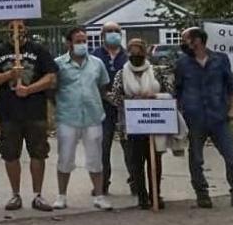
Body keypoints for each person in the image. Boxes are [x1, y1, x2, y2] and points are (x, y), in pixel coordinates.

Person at [174, 27, 233, 209]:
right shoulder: (182, 63)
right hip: (194, 117)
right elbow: (178, 90)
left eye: (185, 39)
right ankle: (202, 194)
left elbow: (231, 85)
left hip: (219, 117)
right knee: (196, 158)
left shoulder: (220, 59)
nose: (182, 43)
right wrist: (180, 112)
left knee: (232, 158)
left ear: (197, 40)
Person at [0, 20, 58, 211]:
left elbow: (51, 77)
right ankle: (15, 194)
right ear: (6, 30)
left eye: (19, 28)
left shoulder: (39, 50)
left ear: (26, 29)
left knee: (38, 153)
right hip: (9, 113)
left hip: (35, 112)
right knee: (10, 154)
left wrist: (29, 89)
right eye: (12, 28)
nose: (16, 32)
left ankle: (38, 195)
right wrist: (9, 75)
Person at [107, 38, 176, 209]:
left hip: (155, 123)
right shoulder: (121, 74)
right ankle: (142, 196)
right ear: (128, 54)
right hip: (131, 125)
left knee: (155, 160)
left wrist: (154, 96)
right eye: (132, 53)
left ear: (145, 53)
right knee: (136, 162)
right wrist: (132, 100)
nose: (136, 56)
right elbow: (115, 98)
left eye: (139, 52)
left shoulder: (157, 72)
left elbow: (170, 93)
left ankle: (155, 194)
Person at [53, 27, 113, 211]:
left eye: (84, 40)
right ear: (68, 43)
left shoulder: (97, 63)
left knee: (96, 158)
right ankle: (61, 196)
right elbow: (52, 89)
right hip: (67, 117)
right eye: (78, 41)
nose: (82, 44)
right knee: (65, 158)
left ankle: (99, 195)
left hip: (93, 116)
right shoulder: (58, 64)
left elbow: (104, 88)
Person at [91, 22, 128, 194]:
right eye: (109, 31)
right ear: (102, 36)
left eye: (116, 31)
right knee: (102, 147)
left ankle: (136, 182)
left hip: (125, 108)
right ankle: (102, 184)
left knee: (130, 147)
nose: (113, 34)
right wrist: (106, 95)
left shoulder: (127, 55)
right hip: (102, 107)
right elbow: (91, 80)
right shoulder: (95, 56)